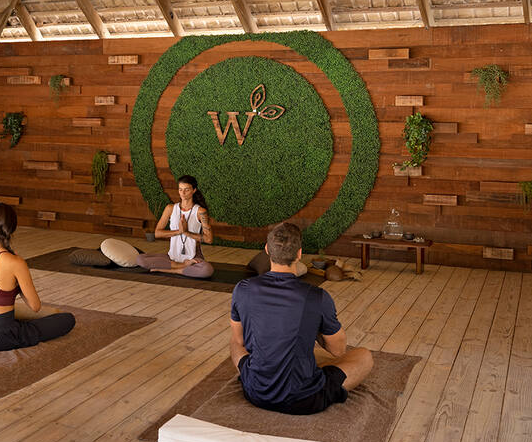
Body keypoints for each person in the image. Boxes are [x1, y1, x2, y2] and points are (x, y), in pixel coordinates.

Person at [229, 222, 373, 415]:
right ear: (299, 254)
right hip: (303, 400)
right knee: (364, 356)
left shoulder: (242, 288)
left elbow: (240, 341)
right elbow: (338, 350)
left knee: (234, 342)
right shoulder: (317, 296)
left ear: (266, 250)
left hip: (255, 391)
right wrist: (313, 328)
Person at [0, 203, 75, 351]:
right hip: (2, 338)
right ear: (11, 228)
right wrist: (16, 288)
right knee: (67, 319)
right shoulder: (16, 262)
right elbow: (35, 306)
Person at [136, 175, 215, 278]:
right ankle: (181, 266)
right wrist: (179, 231)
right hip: (172, 257)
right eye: (180, 189)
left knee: (207, 270)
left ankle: (173, 271)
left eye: (186, 190)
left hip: (193, 257)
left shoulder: (200, 212)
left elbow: (209, 239)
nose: (183, 193)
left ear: (194, 190)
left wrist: (186, 232)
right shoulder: (170, 208)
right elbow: (157, 233)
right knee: (140, 259)